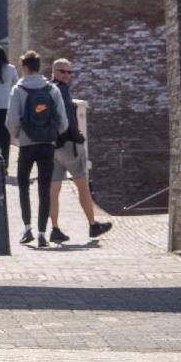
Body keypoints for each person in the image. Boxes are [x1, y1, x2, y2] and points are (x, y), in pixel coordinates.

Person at [47, 57, 115, 243]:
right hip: (69, 146)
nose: (67, 75)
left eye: (69, 72)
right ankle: (93, 225)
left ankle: (54, 229)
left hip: (52, 146)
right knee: (83, 187)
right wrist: (77, 136)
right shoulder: (62, 91)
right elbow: (66, 119)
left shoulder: (45, 90)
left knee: (53, 190)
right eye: (63, 71)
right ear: (54, 72)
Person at [7, 50, 69, 245]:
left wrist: (18, 137)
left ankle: (27, 229)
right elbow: (63, 121)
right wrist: (51, 133)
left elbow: (11, 120)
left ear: (25, 68)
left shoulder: (18, 90)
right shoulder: (52, 90)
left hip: (26, 144)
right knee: (44, 188)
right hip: (47, 145)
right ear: (39, 67)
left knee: (24, 186)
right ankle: (43, 233)